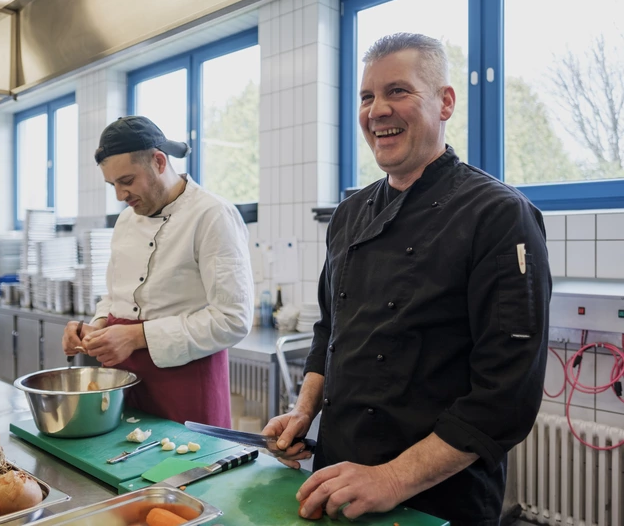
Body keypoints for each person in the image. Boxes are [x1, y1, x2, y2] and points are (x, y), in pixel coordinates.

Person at [262, 33, 551, 526]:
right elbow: (330, 330)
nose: (377, 110)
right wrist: (303, 411)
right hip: (338, 477)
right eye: (367, 96)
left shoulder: (499, 215)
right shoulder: (349, 213)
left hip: (439, 497)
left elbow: (506, 395)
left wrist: (393, 479)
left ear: (445, 102)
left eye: (397, 91)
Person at [62, 115, 254, 428]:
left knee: (185, 460)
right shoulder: (126, 220)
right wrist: (96, 327)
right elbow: (115, 295)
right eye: (113, 185)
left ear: (159, 161)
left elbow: (232, 320)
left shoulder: (212, 215)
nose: (120, 196)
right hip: (124, 379)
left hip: (186, 383)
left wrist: (136, 336)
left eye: (127, 181)